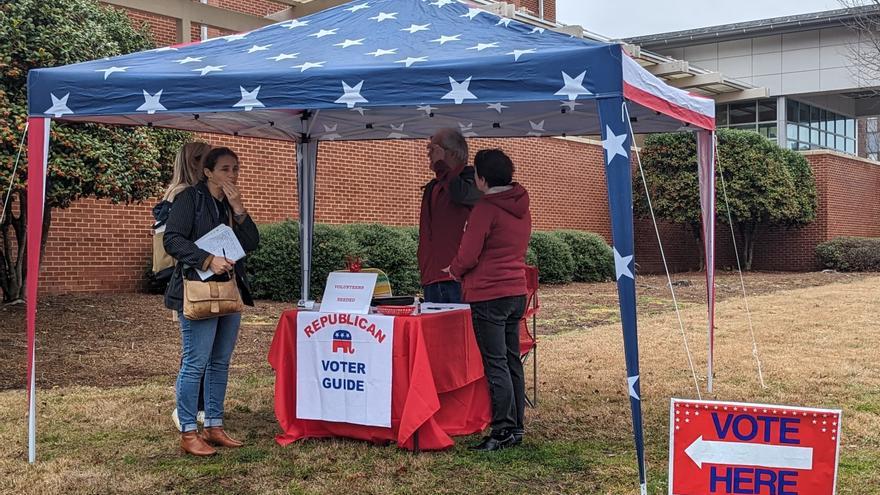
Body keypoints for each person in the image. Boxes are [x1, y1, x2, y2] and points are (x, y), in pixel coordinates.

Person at [163, 147, 260, 456]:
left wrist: (240, 208)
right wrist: (207, 259)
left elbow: (251, 242)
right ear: (207, 172)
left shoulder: (229, 204)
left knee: (220, 361)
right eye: (225, 169)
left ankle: (215, 425)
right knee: (196, 362)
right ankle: (189, 432)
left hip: (229, 292)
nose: (232, 175)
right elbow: (173, 239)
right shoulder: (189, 199)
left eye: (236, 169)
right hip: (197, 290)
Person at [445, 149, 532, 452]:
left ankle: (502, 431)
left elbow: (469, 254)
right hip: (515, 291)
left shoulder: (485, 208)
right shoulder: (520, 205)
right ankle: (516, 427)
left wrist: (454, 270)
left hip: (488, 294)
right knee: (511, 361)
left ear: (481, 179)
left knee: (495, 364)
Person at [154, 142, 212, 433]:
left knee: (198, 351)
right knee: (194, 353)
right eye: (203, 158)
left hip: (198, 282)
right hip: (189, 283)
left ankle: (196, 407)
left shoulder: (194, 194)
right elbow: (176, 242)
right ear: (192, 163)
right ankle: (185, 409)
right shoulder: (182, 195)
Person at [418, 128, 482, 303]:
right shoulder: (436, 185)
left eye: (434, 149)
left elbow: (462, 195)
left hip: (457, 279)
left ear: (452, 153)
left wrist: (441, 167)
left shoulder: (472, 180)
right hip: (432, 277)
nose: (429, 155)